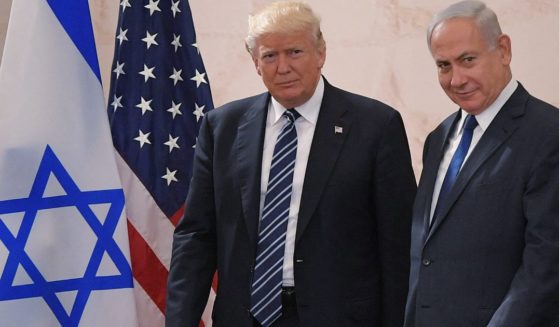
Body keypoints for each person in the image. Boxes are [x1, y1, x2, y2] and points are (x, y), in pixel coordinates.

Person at [166, 2, 416, 326]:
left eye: (295, 52)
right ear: (256, 62)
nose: (282, 67)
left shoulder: (375, 126)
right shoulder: (222, 127)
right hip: (244, 317)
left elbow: (398, 247)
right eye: (270, 56)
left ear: (321, 53)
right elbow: (197, 237)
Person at [404, 1, 559, 326]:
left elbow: (547, 262)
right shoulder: (438, 138)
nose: (456, 79)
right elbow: (428, 254)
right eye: (443, 65)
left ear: (503, 50)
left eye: (468, 60)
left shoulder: (548, 134)